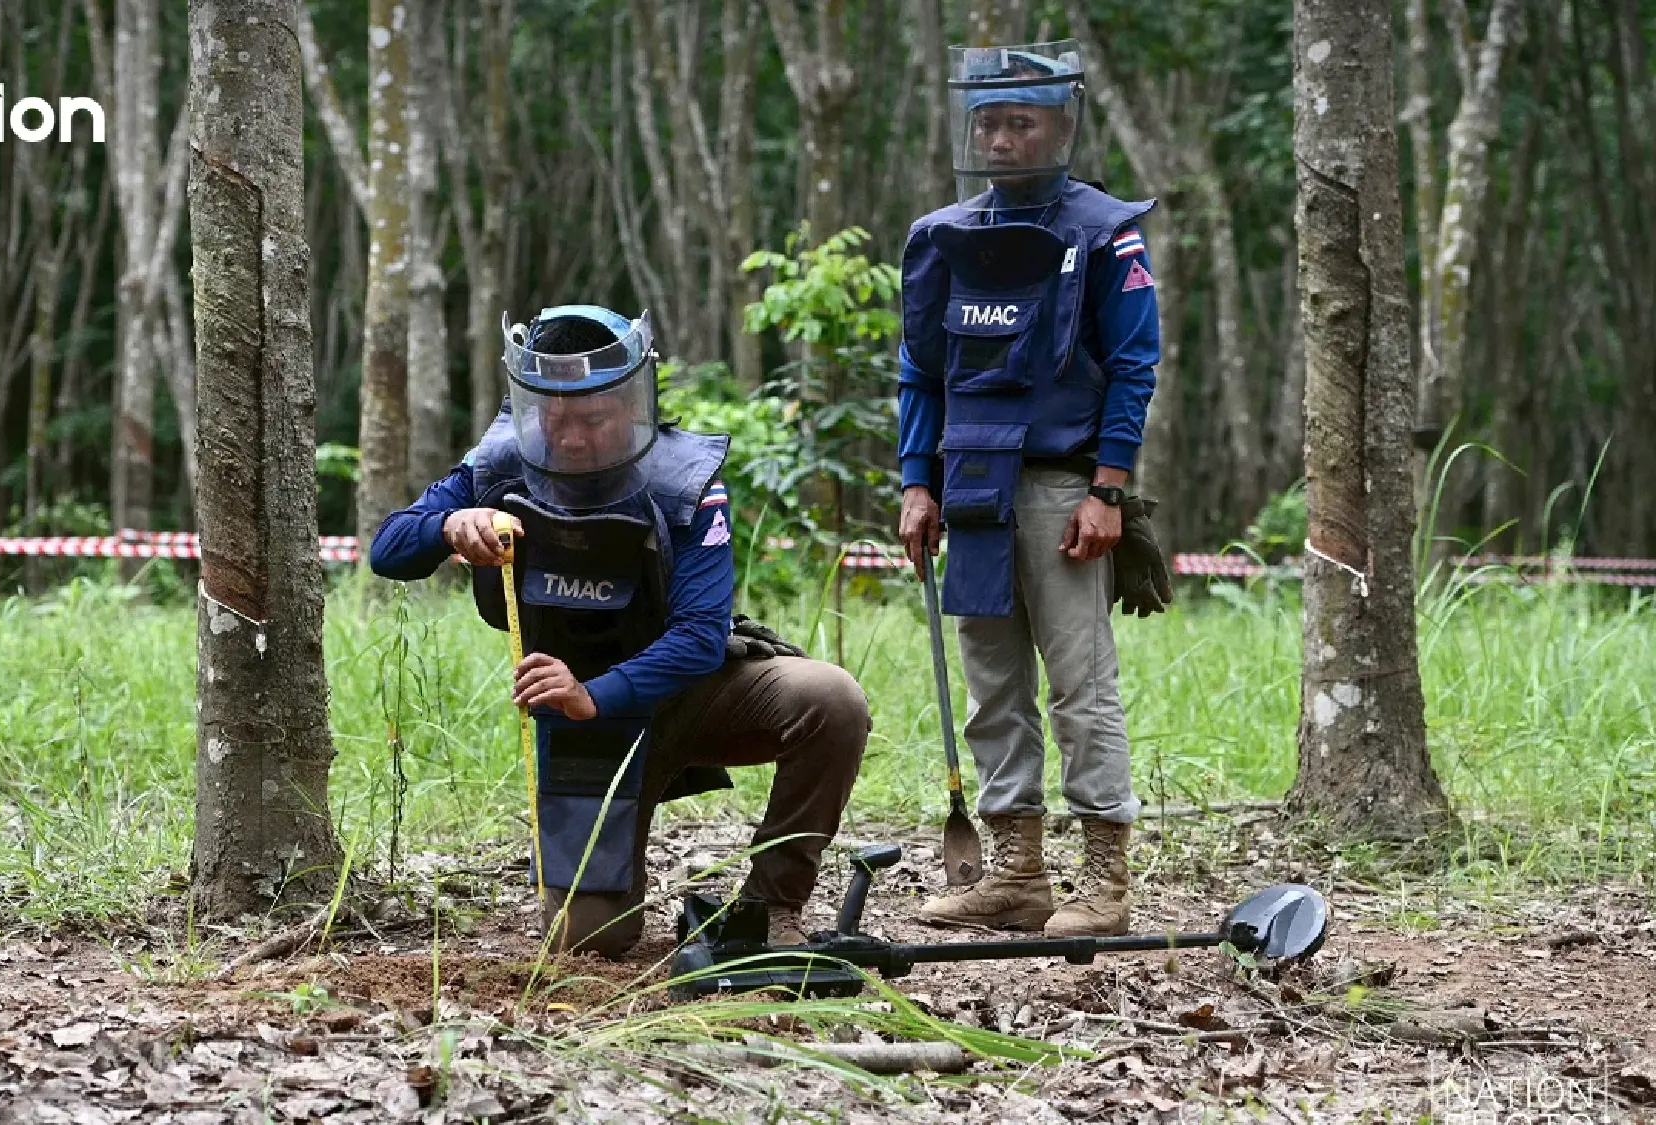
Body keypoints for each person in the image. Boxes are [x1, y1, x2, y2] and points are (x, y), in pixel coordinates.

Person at [369, 305, 870, 958]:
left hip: (691, 690)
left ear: (631, 400)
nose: (571, 436)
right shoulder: (494, 469)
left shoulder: (684, 481)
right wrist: (449, 525)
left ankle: (770, 906)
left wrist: (596, 691)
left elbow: (698, 635)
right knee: (588, 940)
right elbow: (386, 549)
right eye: (556, 416)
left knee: (832, 698)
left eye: (592, 418)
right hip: (585, 733)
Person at [895, 42, 1173, 939]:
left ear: (1060, 125)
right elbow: (920, 370)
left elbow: (1134, 364)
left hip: (1062, 488)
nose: (1003, 137)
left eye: (1022, 121)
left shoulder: (1105, 231)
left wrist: (1109, 489)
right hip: (969, 487)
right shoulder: (944, 236)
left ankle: (1106, 880)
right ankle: (1015, 874)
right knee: (991, 684)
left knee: (1081, 686)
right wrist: (915, 481)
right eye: (989, 121)